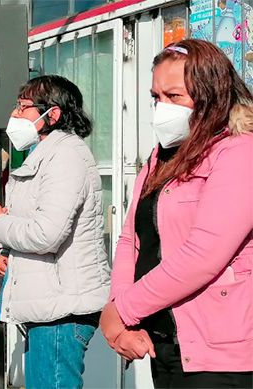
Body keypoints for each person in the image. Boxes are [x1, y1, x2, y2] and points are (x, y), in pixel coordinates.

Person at [100, 39, 253, 388]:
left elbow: (203, 256)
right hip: (164, 343)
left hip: (219, 355)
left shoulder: (239, 151)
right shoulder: (161, 157)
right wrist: (121, 311)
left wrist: (122, 310)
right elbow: (131, 240)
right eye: (156, 97)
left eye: (174, 97)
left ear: (209, 96)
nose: (161, 108)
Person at [0, 75, 111, 389]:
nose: (15, 115)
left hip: (61, 312)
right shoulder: (44, 153)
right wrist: (6, 254)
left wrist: (0, 225)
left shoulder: (66, 156)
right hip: (48, 304)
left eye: (23, 108)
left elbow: (46, 234)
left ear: (53, 114)